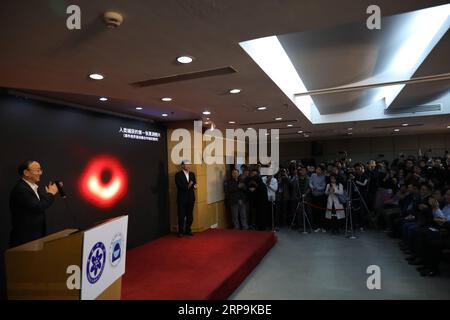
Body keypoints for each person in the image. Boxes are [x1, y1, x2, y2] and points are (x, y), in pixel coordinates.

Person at [9, 160, 60, 247]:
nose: (40, 173)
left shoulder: (31, 187)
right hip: (25, 239)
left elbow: (37, 203)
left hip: (34, 236)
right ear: (26, 172)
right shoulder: (21, 189)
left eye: (40, 170)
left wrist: (49, 194)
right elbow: (38, 206)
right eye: (37, 170)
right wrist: (51, 194)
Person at [175, 160, 197, 237]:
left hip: (191, 198)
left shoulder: (192, 174)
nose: (188, 166)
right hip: (182, 198)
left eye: (189, 164)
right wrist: (188, 185)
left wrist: (194, 186)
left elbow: (194, 183)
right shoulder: (178, 175)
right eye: (186, 164)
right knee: (181, 215)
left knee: (190, 215)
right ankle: (181, 231)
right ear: (182, 166)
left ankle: (188, 230)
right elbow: (179, 186)